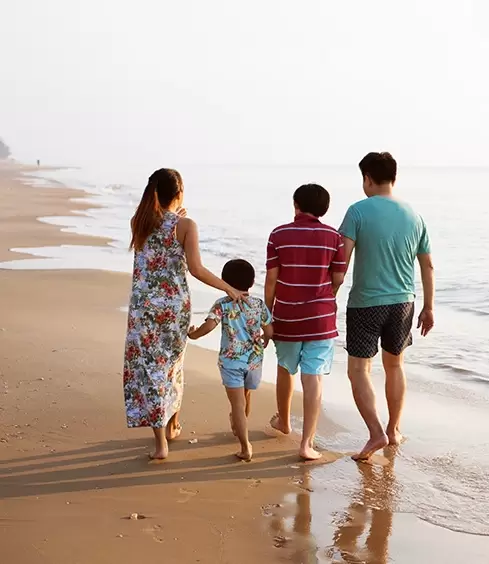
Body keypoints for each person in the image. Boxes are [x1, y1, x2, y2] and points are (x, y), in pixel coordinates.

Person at [123, 168, 246, 460]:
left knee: (151, 370)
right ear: (178, 194)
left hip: (143, 309)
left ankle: (161, 442)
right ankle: (172, 425)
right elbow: (196, 269)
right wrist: (228, 287)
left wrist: (176, 215)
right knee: (171, 366)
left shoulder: (137, 222)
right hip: (173, 308)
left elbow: (157, 233)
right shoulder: (186, 225)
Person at [339, 152, 435, 461]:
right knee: (395, 366)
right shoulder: (414, 215)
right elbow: (428, 266)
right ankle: (393, 430)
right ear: (393, 178)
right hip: (404, 303)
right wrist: (428, 307)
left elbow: (342, 263)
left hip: (366, 303)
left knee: (358, 370)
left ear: (367, 178)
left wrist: (328, 293)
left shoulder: (357, 212)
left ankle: (375, 432)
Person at [265, 183, 347, 460]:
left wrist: (267, 314)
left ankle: (285, 421)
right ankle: (307, 444)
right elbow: (338, 278)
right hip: (321, 320)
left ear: (295, 205)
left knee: (285, 368)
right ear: (324, 209)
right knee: (313, 377)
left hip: (287, 316)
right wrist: (325, 297)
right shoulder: (334, 237)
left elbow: (272, 279)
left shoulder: (279, 235)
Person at [187, 259, 273, 461]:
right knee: (246, 396)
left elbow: (208, 327)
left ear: (224, 281)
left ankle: (245, 446)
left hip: (231, 362)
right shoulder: (258, 305)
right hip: (254, 362)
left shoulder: (222, 305)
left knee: (236, 405)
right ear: (252, 283)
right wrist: (266, 339)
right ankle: (238, 426)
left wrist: (193, 335)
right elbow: (269, 330)